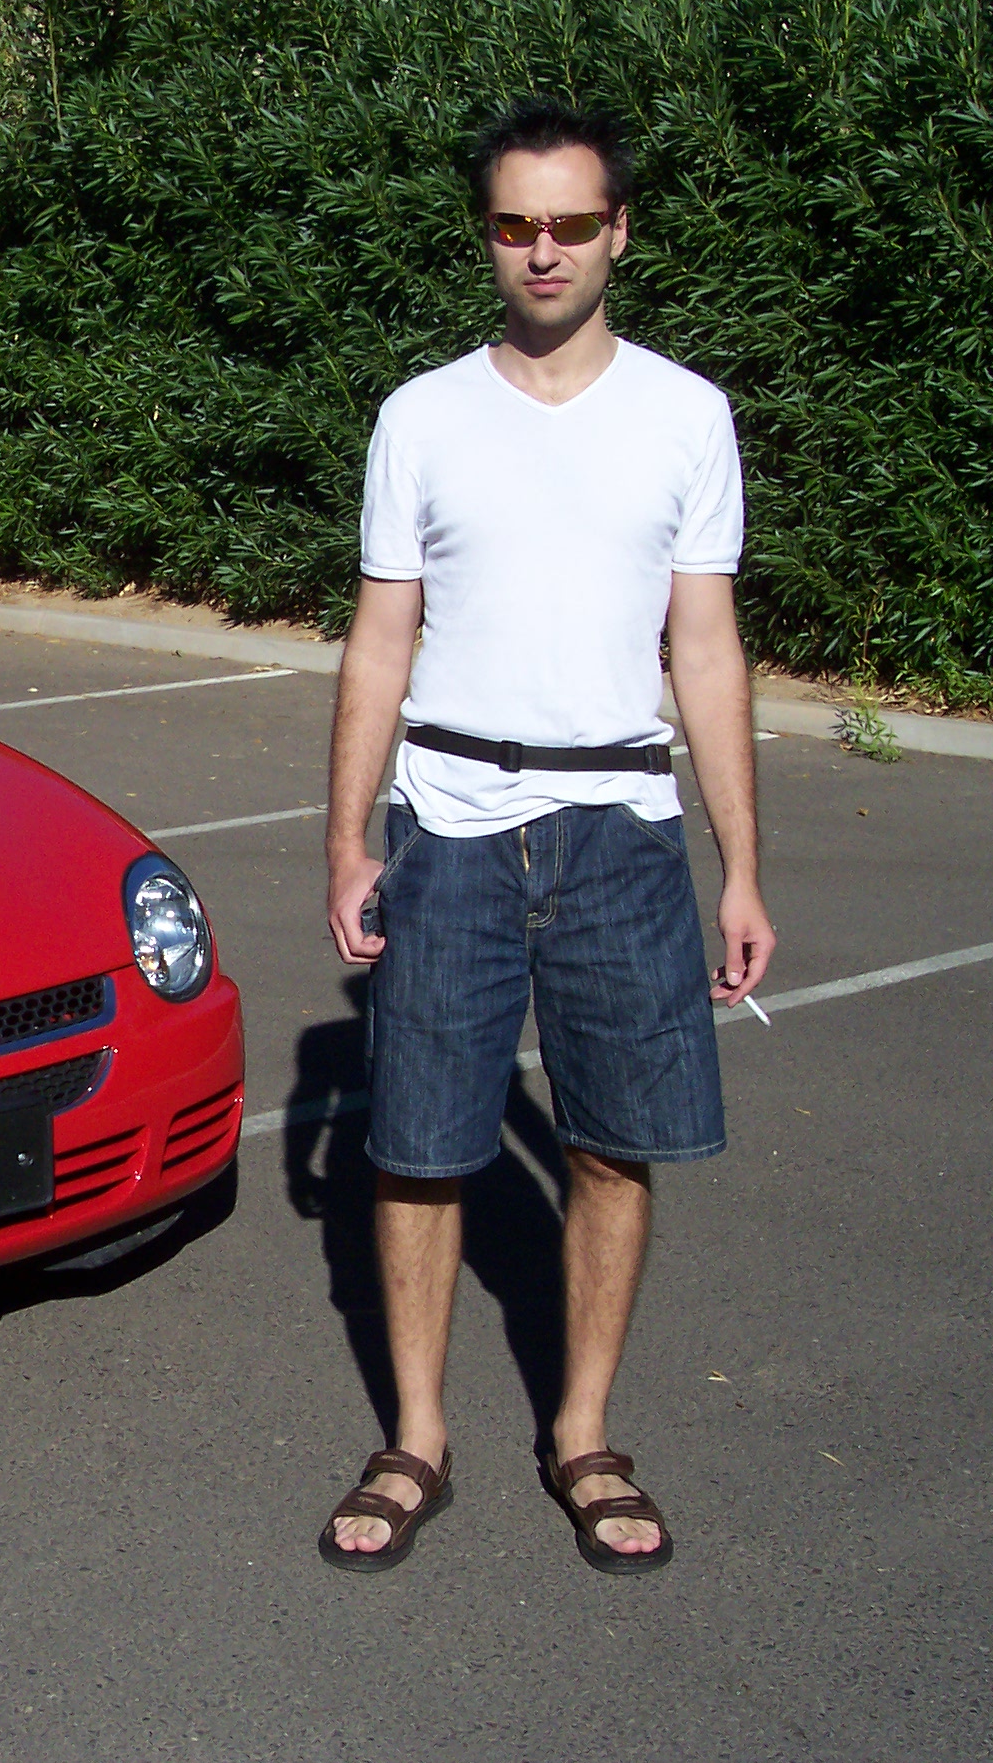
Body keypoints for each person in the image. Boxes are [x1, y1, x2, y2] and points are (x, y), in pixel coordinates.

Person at [316, 97, 774, 1574]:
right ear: (488, 237)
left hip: (621, 834)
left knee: (614, 1147)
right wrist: (347, 841)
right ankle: (419, 1437)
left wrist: (741, 868)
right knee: (420, 1151)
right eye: (517, 223)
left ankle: (583, 1432)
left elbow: (706, 650)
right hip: (448, 828)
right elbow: (380, 641)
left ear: (619, 232)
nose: (545, 249)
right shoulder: (422, 416)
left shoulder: (686, 417)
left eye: (573, 222)